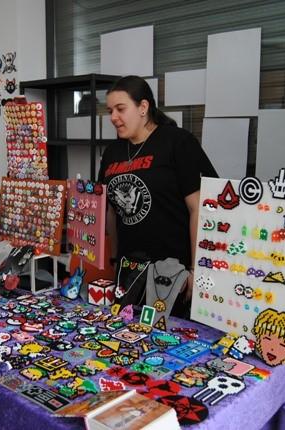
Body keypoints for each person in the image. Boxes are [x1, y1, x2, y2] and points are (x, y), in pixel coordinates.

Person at [99, 75, 217, 316]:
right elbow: (111, 210)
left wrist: (196, 270)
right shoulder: (112, 152)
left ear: (143, 107)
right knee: (126, 332)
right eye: (110, 111)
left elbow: (199, 208)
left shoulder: (177, 142)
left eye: (120, 109)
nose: (113, 117)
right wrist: (114, 260)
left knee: (167, 334)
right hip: (129, 270)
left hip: (172, 272)